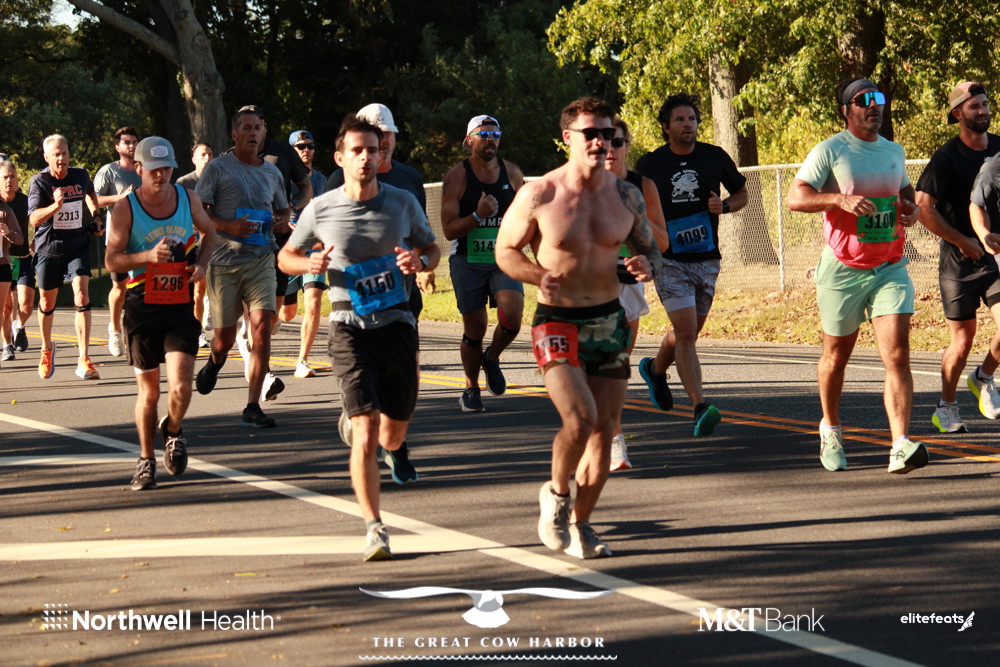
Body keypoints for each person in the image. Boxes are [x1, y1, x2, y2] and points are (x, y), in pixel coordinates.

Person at [495, 97, 660, 559]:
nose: (600, 142)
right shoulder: (539, 193)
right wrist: (536, 275)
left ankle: (582, 523)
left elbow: (651, 248)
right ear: (568, 137)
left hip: (609, 319)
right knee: (580, 417)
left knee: (605, 430)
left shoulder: (626, 195)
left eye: (608, 134)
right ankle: (556, 493)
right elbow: (506, 250)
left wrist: (647, 264)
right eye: (591, 133)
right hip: (557, 319)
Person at [278, 115, 440, 561]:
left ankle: (382, 439)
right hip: (348, 326)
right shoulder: (321, 208)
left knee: (392, 433)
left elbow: (431, 248)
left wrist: (420, 262)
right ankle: (374, 528)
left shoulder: (402, 202)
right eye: (358, 150)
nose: (367, 157)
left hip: (397, 324)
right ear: (340, 158)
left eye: (374, 149)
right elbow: (286, 256)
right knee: (367, 431)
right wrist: (308, 265)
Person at [787, 77, 929, 475]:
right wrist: (838, 199)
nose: (873, 105)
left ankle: (900, 444)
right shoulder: (831, 150)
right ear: (846, 111)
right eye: (863, 100)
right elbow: (795, 197)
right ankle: (830, 427)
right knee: (836, 356)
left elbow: (905, 191)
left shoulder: (893, 150)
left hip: (889, 266)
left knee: (897, 353)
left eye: (878, 98)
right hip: (843, 269)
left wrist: (911, 209)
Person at [105, 137, 217, 491]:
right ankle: (145, 461)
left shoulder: (188, 198)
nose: (161, 175)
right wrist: (146, 257)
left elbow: (210, 232)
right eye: (154, 169)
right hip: (141, 306)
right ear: (139, 169)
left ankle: (172, 429)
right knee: (150, 392)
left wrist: (201, 264)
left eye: (167, 168)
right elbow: (111, 260)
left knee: (181, 386)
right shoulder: (125, 209)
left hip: (179, 304)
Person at [634, 93, 748, 438]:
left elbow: (742, 194)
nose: (688, 125)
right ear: (666, 127)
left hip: (707, 258)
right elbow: (631, 202)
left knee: (689, 332)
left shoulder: (714, 156)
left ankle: (655, 370)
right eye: (680, 120)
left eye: (693, 119)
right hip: (669, 259)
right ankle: (700, 406)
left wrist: (724, 206)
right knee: (685, 332)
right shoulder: (651, 164)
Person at [194, 104, 291, 427]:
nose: (253, 133)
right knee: (222, 340)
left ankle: (253, 405)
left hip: (261, 259)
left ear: (264, 134)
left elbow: (283, 210)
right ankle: (215, 361)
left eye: (258, 128)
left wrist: (282, 221)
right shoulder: (218, 169)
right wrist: (228, 226)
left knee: (262, 327)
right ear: (234, 134)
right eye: (247, 128)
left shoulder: (272, 173)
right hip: (224, 263)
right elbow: (199, 214)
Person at [914, 82, 1000, 432]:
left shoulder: (999, 148)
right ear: (957, 114)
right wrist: (961, 240)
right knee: (962, 342)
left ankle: (983, 377)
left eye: (985, 104)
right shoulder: (946, 157)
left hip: (995, 255)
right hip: (959, 262)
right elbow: (923, 208)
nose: (983, 111)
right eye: (974, 106)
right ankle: (946, 406)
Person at [441, 115, 526, 412]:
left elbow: (528, 216)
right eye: (484, 134)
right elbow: (448, 230)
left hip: (502, 258)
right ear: (469, 140)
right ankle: (471, 387)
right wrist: (478, 215)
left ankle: (492, 357)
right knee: (475, 328)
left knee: (512, 317)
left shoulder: (512, 173)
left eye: (496, 134)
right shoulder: (457, 177)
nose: (491, 139)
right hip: (467, 260)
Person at [603, 116, 669, 469]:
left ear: (627, 146)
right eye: (603, 142)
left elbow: (663, 242)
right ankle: (609, 437)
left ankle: (610, 436)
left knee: (617, 365)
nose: (609, 149)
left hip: (628, 281)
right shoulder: (580, 183)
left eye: (617, 142)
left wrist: (635, 218)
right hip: (588, 284)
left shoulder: (643, 186)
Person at [326, 104, 432, 322]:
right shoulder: (340, 178)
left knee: (404, 341)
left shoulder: (410, 177)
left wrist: (423, 265)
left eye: (388, 133)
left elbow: (422, 230)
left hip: (402, 285)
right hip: (359, 286)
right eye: (377, 134)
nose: (383, 140)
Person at [27, 134, 102, 380]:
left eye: (65, 153)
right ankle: (46, 348)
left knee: (81, 293)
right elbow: (34, 219)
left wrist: (96, 216)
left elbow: (90, 193)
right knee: (47, 303)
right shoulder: (40, 182)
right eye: (56, 155)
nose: (61, 158)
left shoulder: (80, 175)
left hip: (77, 246)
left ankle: (83, 358)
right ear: (47, 158)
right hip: (49, 249)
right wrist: (55, 207)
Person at [283, 129, 328, 379]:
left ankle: (302, 360)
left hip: (315, 250)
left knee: (313, 301)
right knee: (287, 313)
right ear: (292, 151)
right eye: (300, 147)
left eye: (310, 146)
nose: (306, 150)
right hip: (290, 251)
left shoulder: (322, 180)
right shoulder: (282, 178)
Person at [94, 127, 142, 358]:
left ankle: (135, 330)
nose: (131, 146)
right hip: (117, 239)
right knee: (120, 288)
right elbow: (94, 200)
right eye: (127, 142)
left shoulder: (144, 169)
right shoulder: (109, 171)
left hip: (143, 238)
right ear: (117, 147)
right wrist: (120, 197)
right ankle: (114, 329)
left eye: (134, 142)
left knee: (142, 288)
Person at [176, 142, 215, 347]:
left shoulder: (219, 179)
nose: (207, 157)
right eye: (202, 154)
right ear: (194, 160)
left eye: (210, 154)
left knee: (216, 286)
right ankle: (198, 330)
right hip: (193, 240)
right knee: (198, 289)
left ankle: (211, 306)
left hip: (216, 239)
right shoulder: (184, 183)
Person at [1, 160, 32, 361]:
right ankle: (7, 345)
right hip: (3, 260)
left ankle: (19, 327)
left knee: (26, 305)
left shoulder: (25, 201)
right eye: (5, 177)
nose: (9, 181)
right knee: (6, 307)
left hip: (23, 257)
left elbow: (37, 222)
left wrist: (36, 240)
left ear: (17, 180)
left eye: (12, 177)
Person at [0, 191, 24, 369]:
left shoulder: (5, 211)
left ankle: (7, 345)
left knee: (3, 308)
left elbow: (19, 238)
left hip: (1, 264)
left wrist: (8, 233)